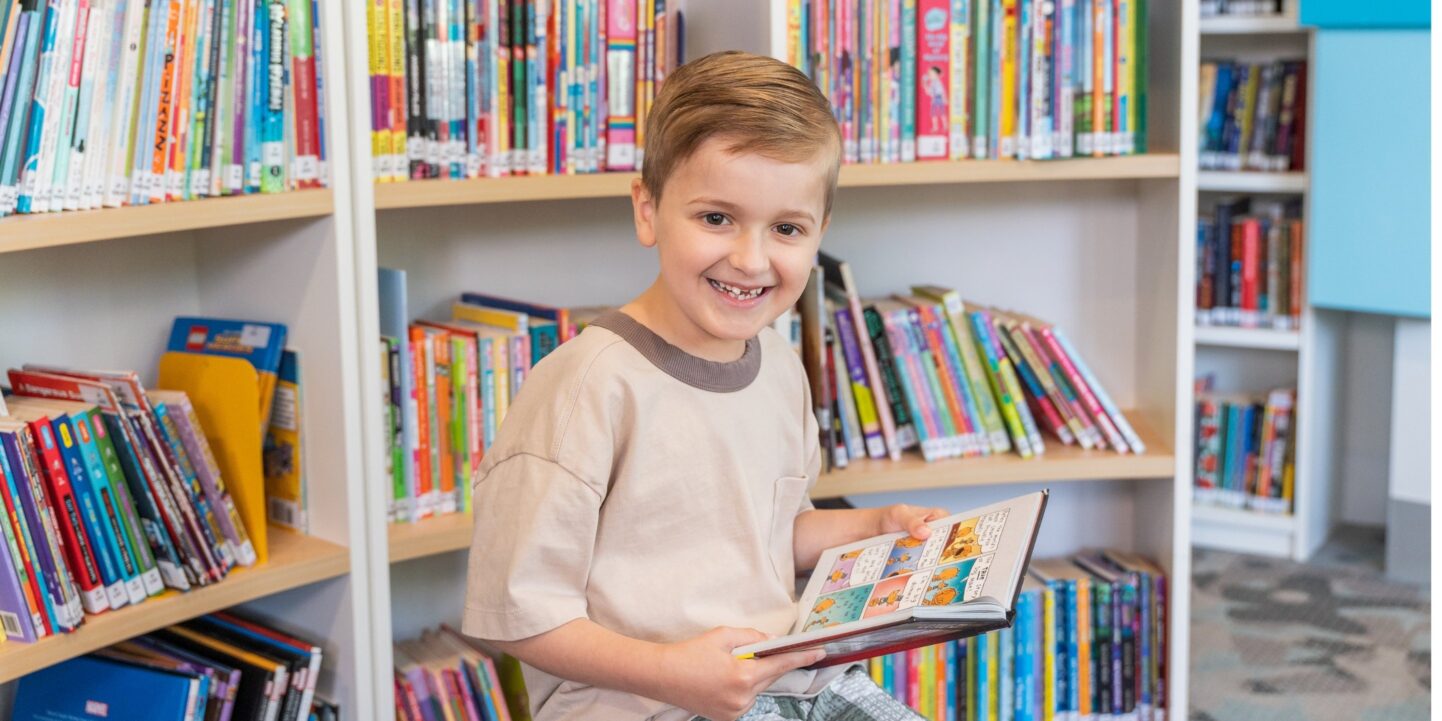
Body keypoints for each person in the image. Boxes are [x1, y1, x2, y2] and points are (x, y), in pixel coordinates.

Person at [462, 51, 948, 721]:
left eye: (786, 228)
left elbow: (769, 533)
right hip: (645, 704)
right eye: (716, 218)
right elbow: (513, 614)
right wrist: (671, 672)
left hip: (787, 684)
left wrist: (876, 526)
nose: (750, 259)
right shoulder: (585, 387)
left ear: (819, 235)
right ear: (648, 210)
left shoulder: (780, 366)